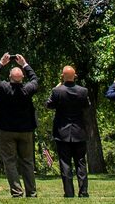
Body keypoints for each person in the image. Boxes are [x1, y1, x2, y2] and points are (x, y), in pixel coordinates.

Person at [0, 53, 39, 199]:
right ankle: (31, 192)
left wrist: (0, 63)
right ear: (22, 77)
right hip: (25, 130)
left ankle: (17, 191)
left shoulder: (4, 88)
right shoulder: (27, 90)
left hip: (6, 130)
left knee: (10, 162)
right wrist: (25, 64)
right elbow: (35, 79)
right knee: (28, 162)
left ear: (10, 77)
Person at [45, 66, 89, 200]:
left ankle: (69, 192)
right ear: (74, 75)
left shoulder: (57, 91)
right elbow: (87, 106)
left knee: (65, 164)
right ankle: (83, 192)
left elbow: (48, 105)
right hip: (79, 131)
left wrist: (57, 87)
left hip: (62, 132)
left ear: (63, 76)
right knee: (81, 163)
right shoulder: (83, 91)